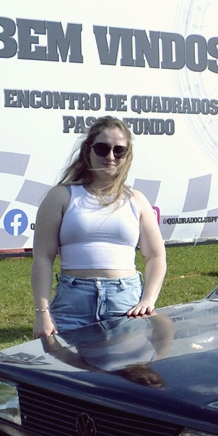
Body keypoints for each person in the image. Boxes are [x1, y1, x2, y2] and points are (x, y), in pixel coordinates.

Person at [31, 117, 167, 340]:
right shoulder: (61, 196)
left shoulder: (137, 200)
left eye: (119, 150)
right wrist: (42, 313)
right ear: (88, 150)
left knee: (124, 363)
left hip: (125, 301)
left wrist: (148, 300)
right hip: (72, 302)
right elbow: (43, 258)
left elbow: (156, 255)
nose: (110, 157)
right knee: (65, 363)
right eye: (102, 148)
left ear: (127, 155)